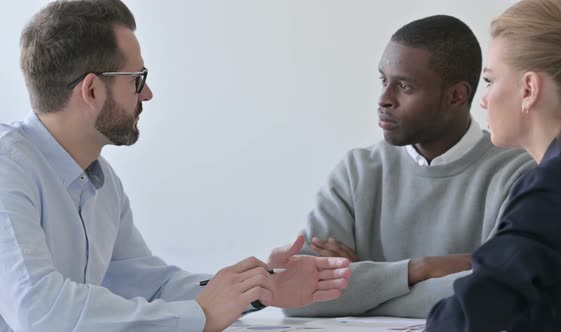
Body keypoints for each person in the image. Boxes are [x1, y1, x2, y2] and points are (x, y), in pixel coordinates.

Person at [0, 1, 352, 331]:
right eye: (137, 78)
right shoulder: (6, 167)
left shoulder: (103, 182)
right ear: (92, 91)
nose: (148, 93)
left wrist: (259, 285)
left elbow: (152, 285)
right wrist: (202, 316)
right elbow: (39, 310)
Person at [270, 15, 534, 318]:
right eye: (384, 80)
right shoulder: (357, 171)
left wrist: (363, 286)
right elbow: (296, 296)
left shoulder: (518, 175)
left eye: (404, 86)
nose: (384, 99)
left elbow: (494, 296)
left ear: (456, 96)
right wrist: (420, 269)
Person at [425, 0, 561, 331]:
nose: (483, 100)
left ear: (528, 89)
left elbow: (471, 313)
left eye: (489, 80)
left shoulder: (554, 186)